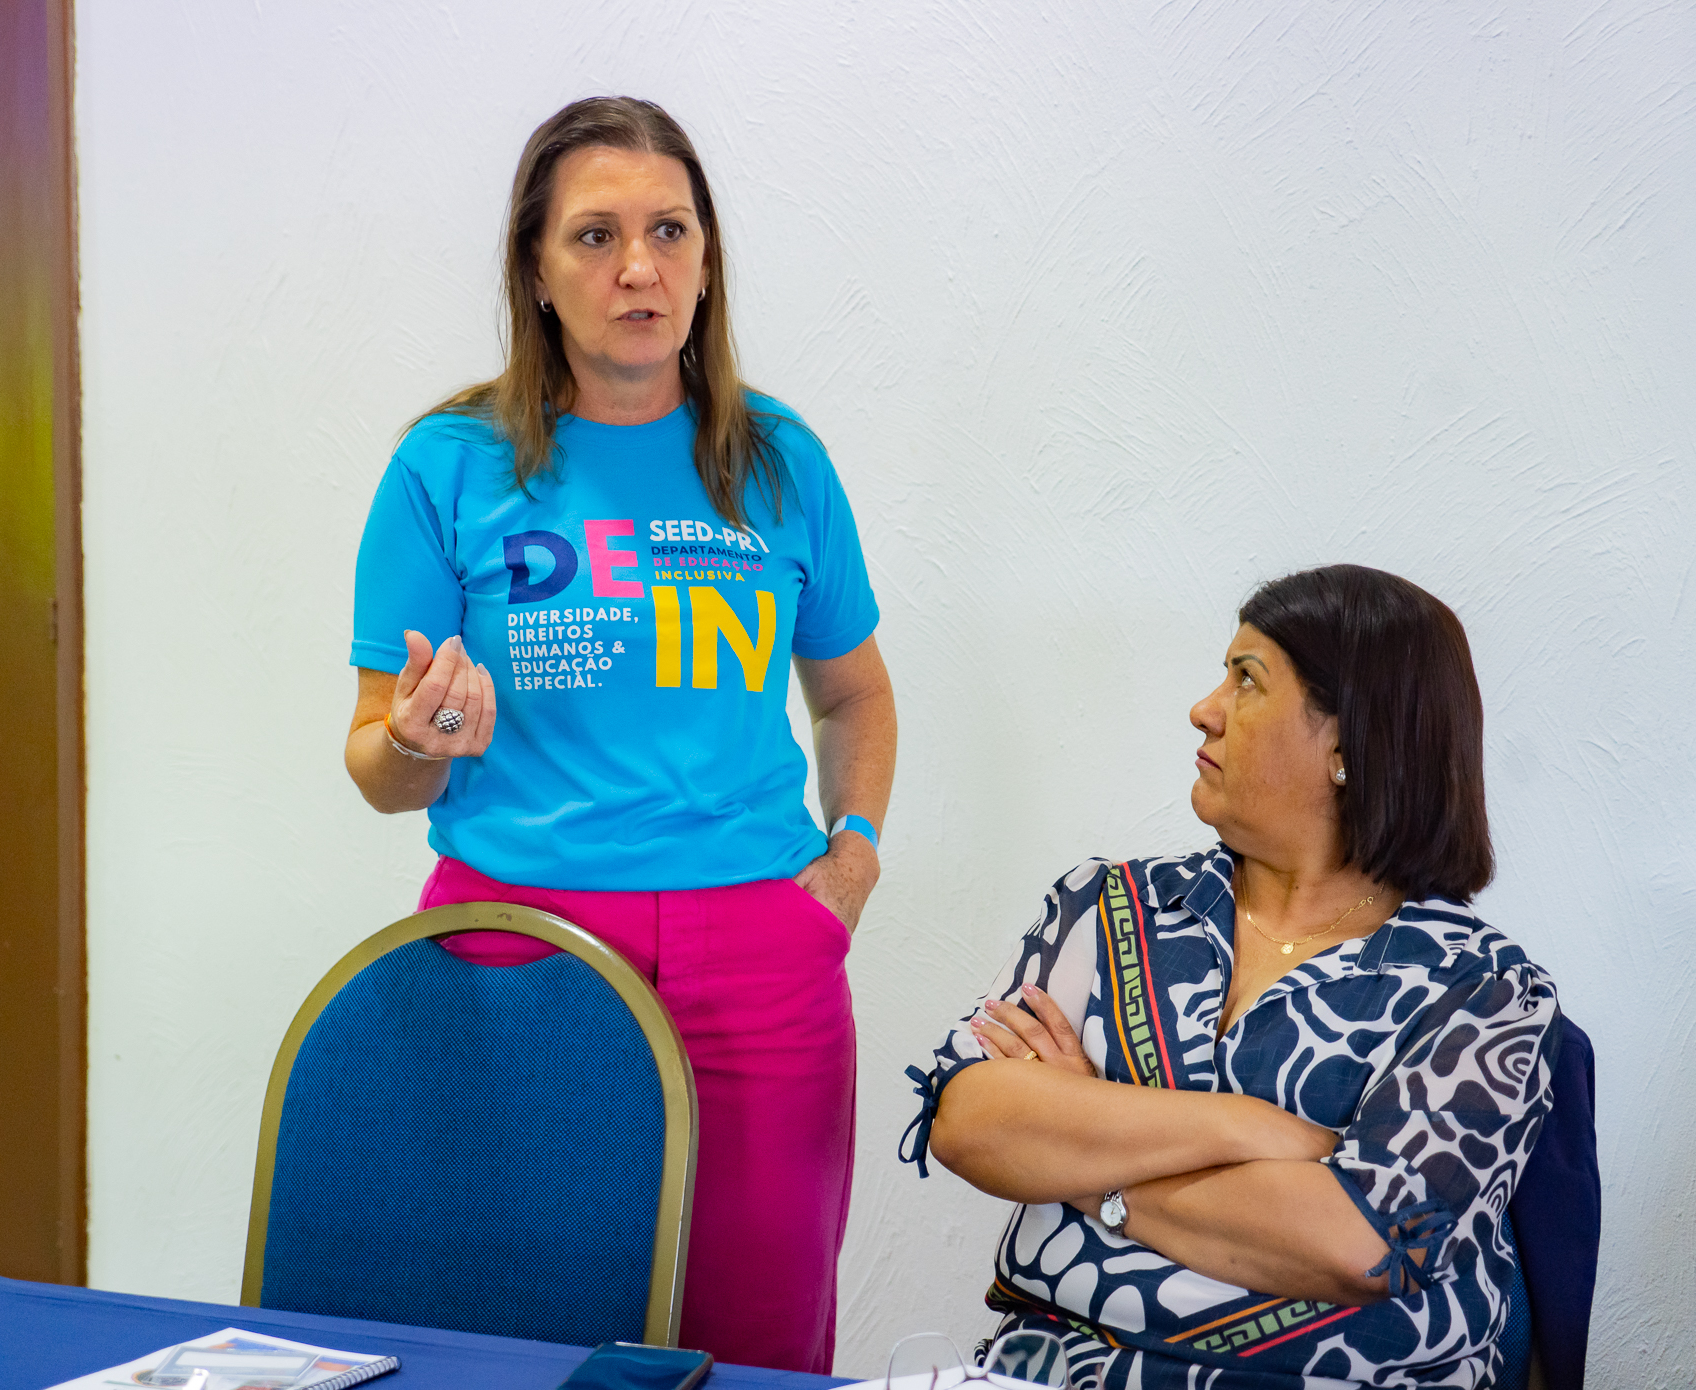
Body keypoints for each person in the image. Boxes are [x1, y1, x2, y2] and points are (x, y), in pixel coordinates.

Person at [344, 97, 896, 1374]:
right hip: (514, 947)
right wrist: (419, 740)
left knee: (759, 1340)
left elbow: (855, 695)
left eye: (669, 232)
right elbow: (376, 763)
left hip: (762, 953)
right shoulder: (450, 465)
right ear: (536, 271)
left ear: (707, 263)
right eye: (594, 236)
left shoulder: (777, 462)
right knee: (518, 1333)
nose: (637, 268)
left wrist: (851, 857)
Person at [899, 565, 1557, 1389]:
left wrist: (1088, 1164)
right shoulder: (1109, 906)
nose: (1204, 708)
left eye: (1246, 680)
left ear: (1351, 744)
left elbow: (1360, 1246)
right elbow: (966, 1118)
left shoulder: (1483, 991)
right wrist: (1247, 1126)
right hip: (1054, 1371)